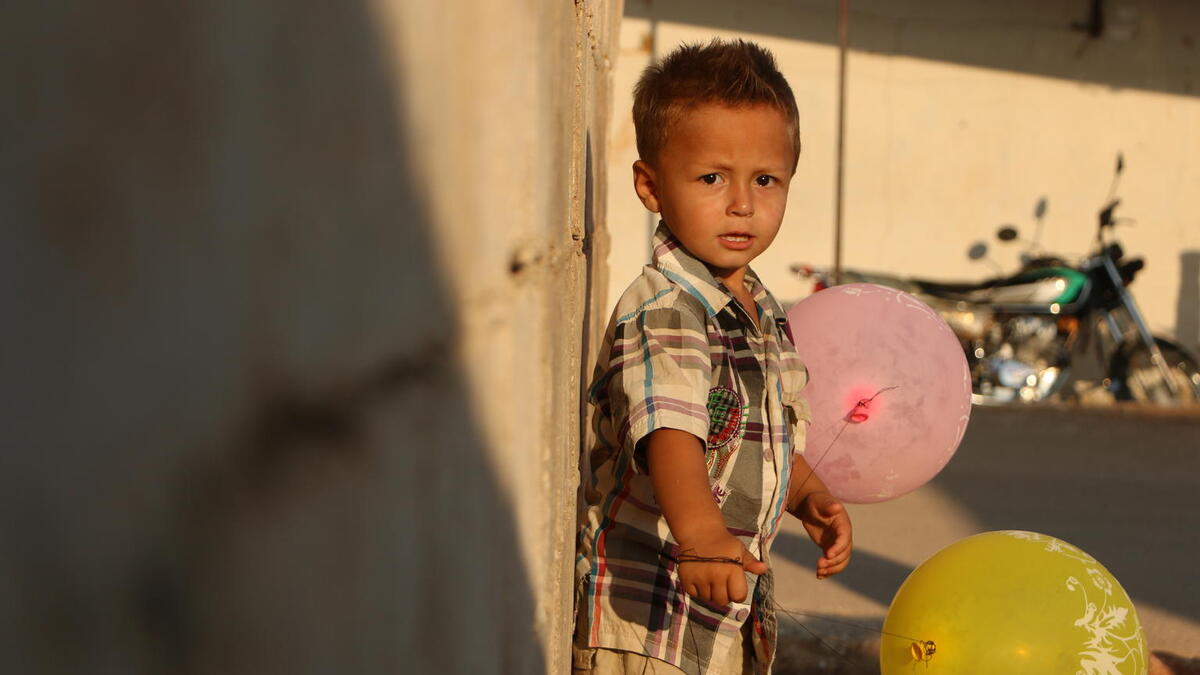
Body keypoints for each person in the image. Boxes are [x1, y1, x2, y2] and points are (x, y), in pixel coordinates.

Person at [574, 39, 853, 675]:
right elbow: (670, 429)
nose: (741, 204)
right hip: (649, 616)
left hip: (717, 608)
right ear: (650, 185)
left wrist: (808, 494)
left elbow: (751, 429)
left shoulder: (757, 306)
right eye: (711, 178)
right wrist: (701, 539)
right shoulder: (669, 308)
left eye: (765, 179)